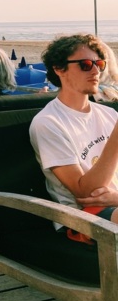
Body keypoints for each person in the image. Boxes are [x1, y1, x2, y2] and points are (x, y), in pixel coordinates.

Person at [30, 33, 118, 230]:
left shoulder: (108, 114)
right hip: (81, 217)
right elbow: (85, 193)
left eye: (100, 64)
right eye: (86, 64)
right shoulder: (48, 123)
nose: (96, 70)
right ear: (59, 69)